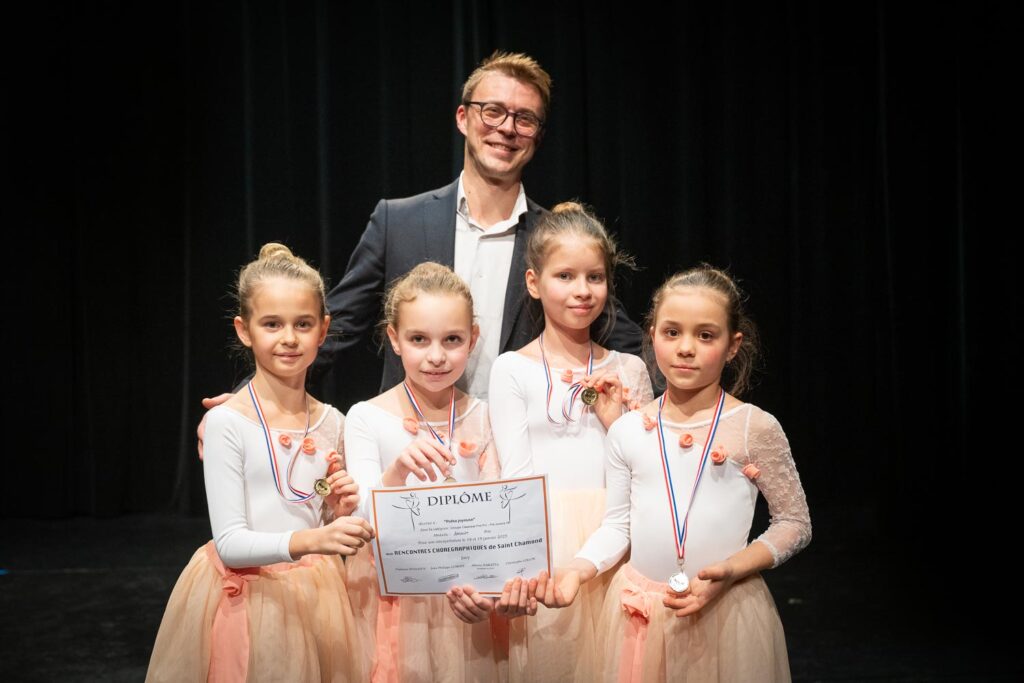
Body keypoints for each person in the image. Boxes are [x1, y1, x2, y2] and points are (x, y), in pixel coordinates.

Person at [313, 50, 643, 401]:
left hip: (519, 446)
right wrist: (252, 408)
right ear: (462, 117)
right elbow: (332, 332)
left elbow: (623, 338)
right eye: (493, 111)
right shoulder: (398, 222)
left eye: (525, 119)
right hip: (414, 442)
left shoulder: (558, 237)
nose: (507, 128)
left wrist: (697, 417)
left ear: (538, 137)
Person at [534, 265, 812, 682]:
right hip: (640, 614)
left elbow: (794, 522)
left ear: (733, 345)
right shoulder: (629, 429)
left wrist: (735, 568)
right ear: (652, 335)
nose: (686, 348)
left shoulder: (755, 427)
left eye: (705, 335)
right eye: (671, 332)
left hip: (726, 612)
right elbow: (619, 524)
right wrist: (578, 568)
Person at [147, 243, 374, 682]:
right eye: (272, 324)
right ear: (244, 329)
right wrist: (315, 539)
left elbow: (318, 509)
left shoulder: (335, 422)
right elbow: (231, 542)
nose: (289, 338)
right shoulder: (226, 423)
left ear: (324, 330)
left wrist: (339, 510)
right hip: (250, 601)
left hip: (317, 599)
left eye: (303, 324)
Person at [342, 262, 534, 682]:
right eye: (418, 339)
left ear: (473, 340)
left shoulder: (486, 417)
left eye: (452, 340)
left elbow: (500, 524)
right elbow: (360, 524)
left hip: (470, 601)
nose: (436, 356)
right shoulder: (365, 417)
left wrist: (490, 592)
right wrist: (395, 474)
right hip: (397, 605)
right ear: (394, 339)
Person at [487, 202, 654, 683]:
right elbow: (515, 475)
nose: (582, 291)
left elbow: (644, 470)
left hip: (618, 536)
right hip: (548, 544)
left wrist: (615, 421)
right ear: (534, 283)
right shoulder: (512, 369)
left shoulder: (629, 369)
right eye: (565, 276)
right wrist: (526, 562)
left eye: (595, 277)